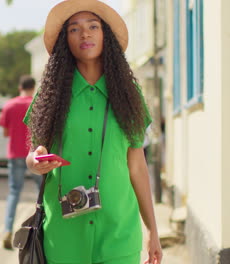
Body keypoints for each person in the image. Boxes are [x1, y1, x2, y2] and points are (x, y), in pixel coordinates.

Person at [23, 1, 163, 263]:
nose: (84, 34)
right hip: (63, 236)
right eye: (74, 29)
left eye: (93, 26)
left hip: (119, 232)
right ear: (66, 41)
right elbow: (33, 155)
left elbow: (137, 168)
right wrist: (36, 161)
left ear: (105, 36)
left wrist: (153, 230)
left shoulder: (129, 96)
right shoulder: (48, 96)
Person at [0, 75, 42, 250]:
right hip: (35, 155)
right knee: (42, 193)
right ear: (33, 88)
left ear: (19, 88)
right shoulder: (38, 104)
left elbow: (5, 133)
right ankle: (41, 231)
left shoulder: (9, 105)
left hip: (15, 154)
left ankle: (8, 230)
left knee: (14, 192)